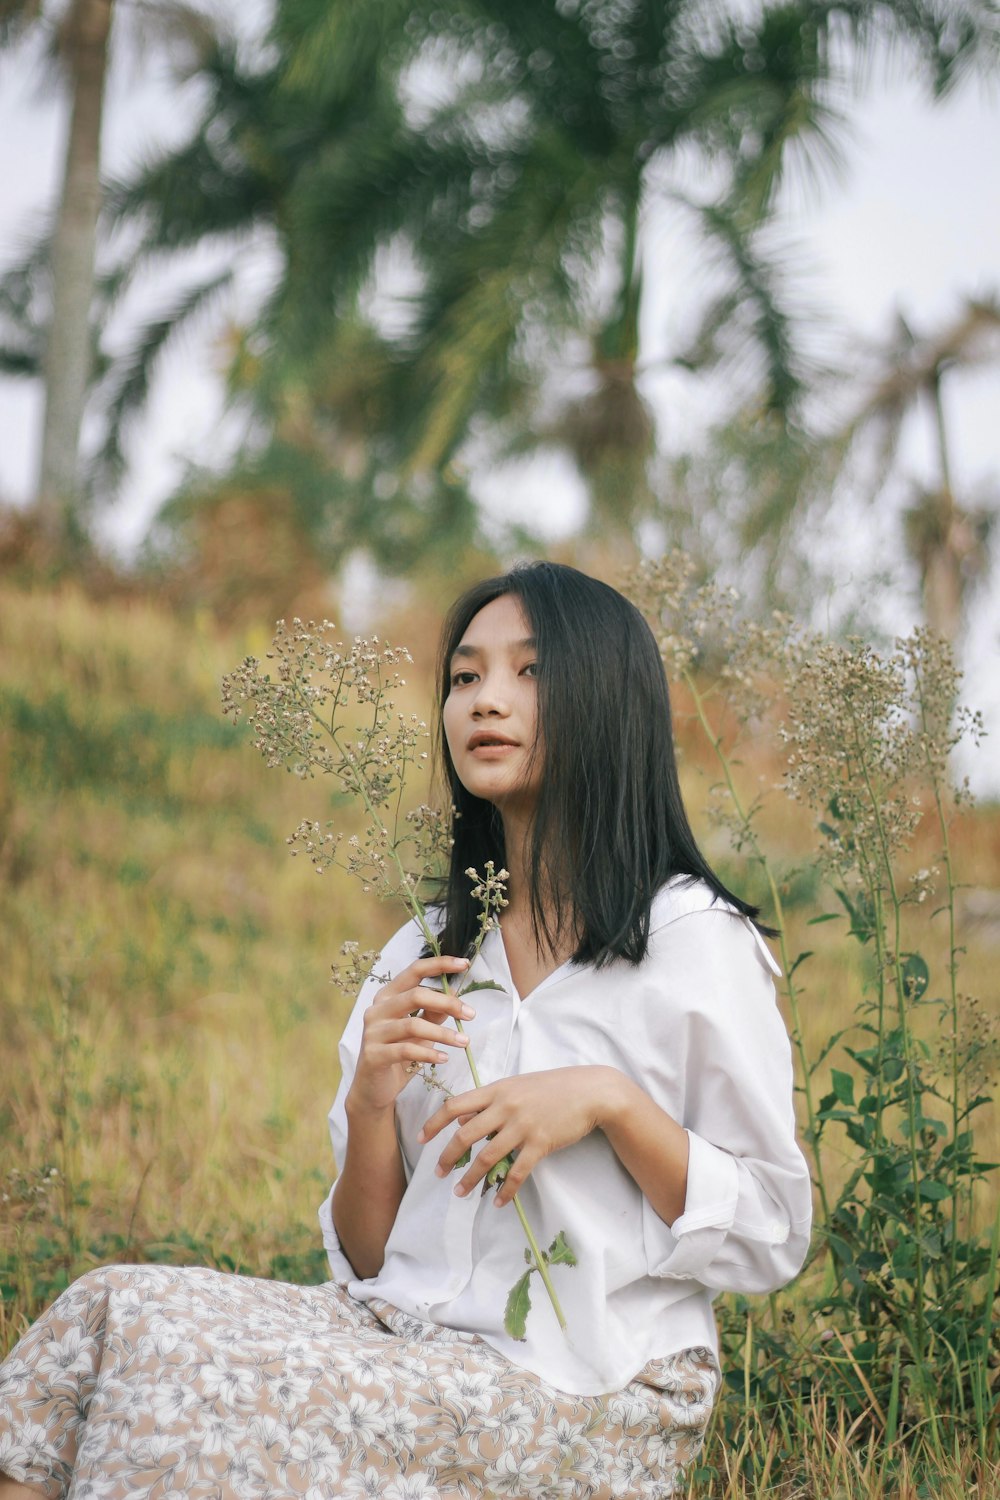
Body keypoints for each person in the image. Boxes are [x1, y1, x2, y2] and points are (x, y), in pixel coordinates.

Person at [0, 562, 812, 1499]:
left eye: (528, 672)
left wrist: (607, 1102)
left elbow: (774, 1230)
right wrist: (372, 1100)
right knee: (110, 1311)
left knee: (198, 1389)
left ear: (610, 703)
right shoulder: (428, 950)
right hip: (406, 1341)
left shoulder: (692, 940)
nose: (484, 701)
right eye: (465, 677)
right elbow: (374, 1259)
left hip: (595, 1389)